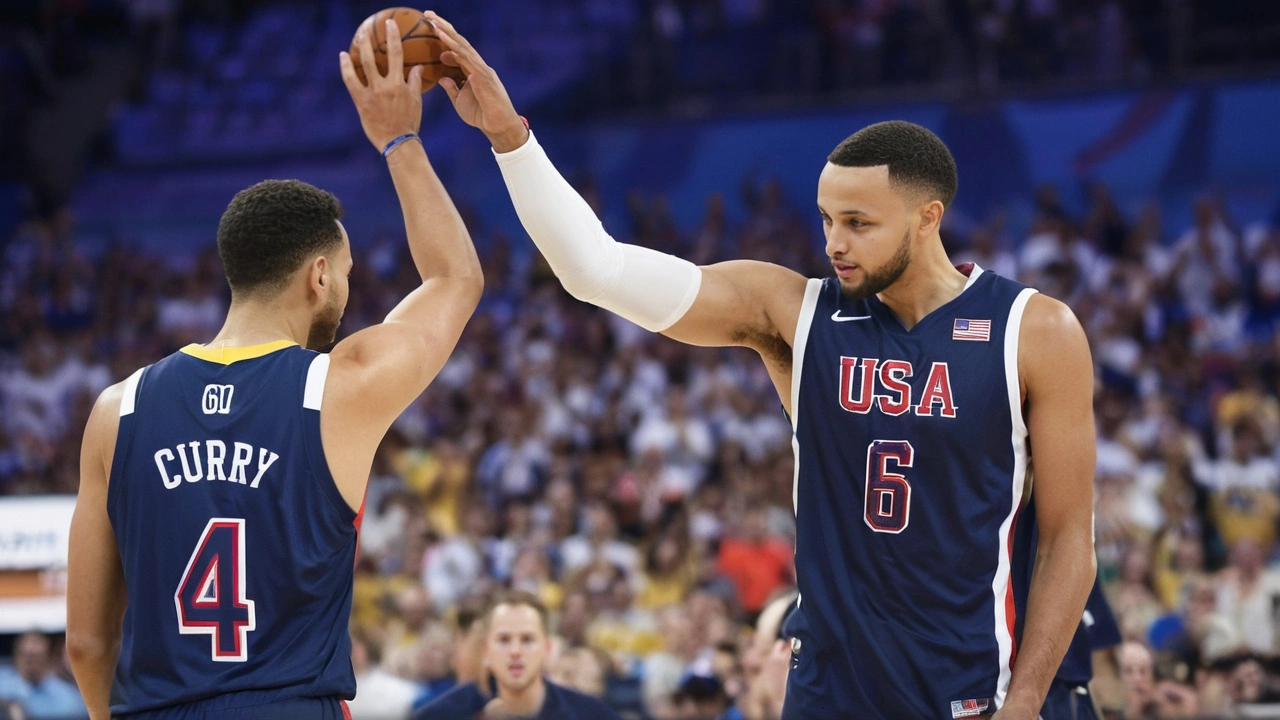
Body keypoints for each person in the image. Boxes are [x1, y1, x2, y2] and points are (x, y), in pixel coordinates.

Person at [426, 12, 1098, 718]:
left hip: (960, 690)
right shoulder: (794, 312)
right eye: (827, 219)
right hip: (824, 690)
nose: (835, 243)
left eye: (859, 224)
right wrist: (510, 137)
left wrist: (1025, 702)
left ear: (928, 217)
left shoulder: (1033, 330)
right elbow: (597, 270)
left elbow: (1066, 542)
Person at [64, 15, 484, 720]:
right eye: (346, 275)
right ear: (319, 276)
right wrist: (399, 139)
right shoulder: (339, 387)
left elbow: (85, 642)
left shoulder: (118, 410)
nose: (346, 293)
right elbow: (455, 280)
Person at [414, 590, 621, 720]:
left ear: (547, 649)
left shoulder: (593, 713)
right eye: (504, 640)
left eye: (527, 640)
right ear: (486, 650)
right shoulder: (439, 713)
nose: (515, 652)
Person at [0, 631, 87, 719]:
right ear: (17, 655)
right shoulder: (3, 682)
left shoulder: (67, 696)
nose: (30, 663)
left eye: (35, 657)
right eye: (26, 655)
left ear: (48, 658)